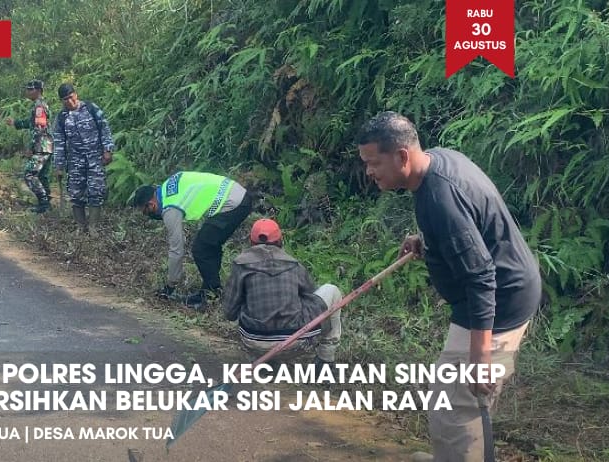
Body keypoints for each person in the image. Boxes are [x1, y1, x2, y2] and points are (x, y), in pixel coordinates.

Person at [356, 111, 541, 462]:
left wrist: (480, 357)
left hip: (497, 302)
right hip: (507, 289)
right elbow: (471, 225)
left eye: (373, 162)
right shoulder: (439, 162)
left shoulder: (440, 198)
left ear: (402, 156)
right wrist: (429, 241)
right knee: (465, 401)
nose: (369, 172)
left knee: (455, 407)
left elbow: (481, 277)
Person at [223, 218, 343, 365]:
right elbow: (311, 295)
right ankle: (326, 358)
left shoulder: (240, 264)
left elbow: (229, 313)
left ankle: (268, 360)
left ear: (251, 241)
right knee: (332, 290)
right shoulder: (293, 264)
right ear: (280, 240)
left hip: (254, 343)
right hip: (294, 342)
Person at [130, 171, 253, 309]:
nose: (148, 215)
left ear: (151, 204)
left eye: (146, 212)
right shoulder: (167, 187)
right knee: (209, 244)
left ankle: (213, 294)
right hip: (236, 193)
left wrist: (170, 286)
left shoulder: (170, 208)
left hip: (232, 203)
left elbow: (176, 249)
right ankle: (208, 292)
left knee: (201, 248)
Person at [53, 83, 114, 231]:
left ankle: (93, 227)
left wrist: (108, 149)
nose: (69, 101)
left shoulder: (91, 108)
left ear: (76, 94)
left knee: (96, 191)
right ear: (62, 101)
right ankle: (81, 227)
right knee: (76, 193)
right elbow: (59, 143)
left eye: (71, 96)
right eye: (65, 99)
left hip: (95, 157)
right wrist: (59, 166)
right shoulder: (62, 118)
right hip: (75, 160)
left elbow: (104, 128)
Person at [6, 79, 54, 213]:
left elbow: (39, 128)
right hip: (46, 145)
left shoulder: (39, 106)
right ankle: (46, 204)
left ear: (38, 91)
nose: (27, 92)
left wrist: (32, 148)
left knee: (30, 174)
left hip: (42, 145)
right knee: (42, 175)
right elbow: (31, 123)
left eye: (30, 89)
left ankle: (44, 203)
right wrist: (16, 123)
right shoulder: (40, 105)